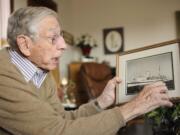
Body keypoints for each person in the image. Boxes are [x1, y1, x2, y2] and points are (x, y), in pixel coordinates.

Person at [0, 7, 173, 135]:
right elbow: (56, 132)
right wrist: (132, 108)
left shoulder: (41, 71)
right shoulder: (4, 76)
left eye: (61, 36)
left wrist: (101, 102)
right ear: (25, 44)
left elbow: (62, 119)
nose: (63, 45)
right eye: (53, 38)